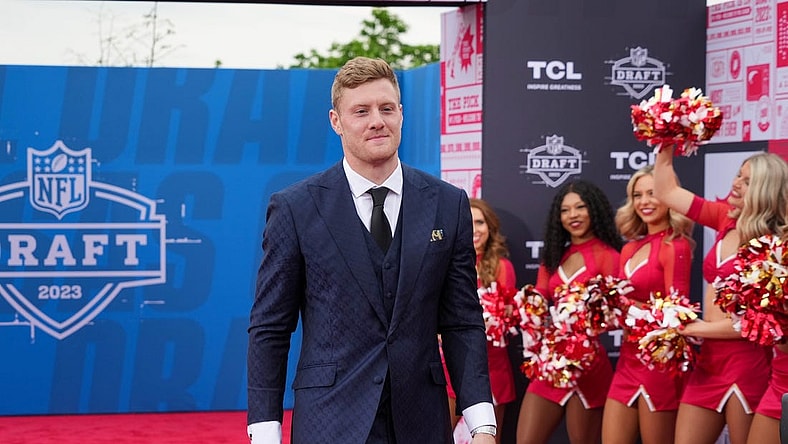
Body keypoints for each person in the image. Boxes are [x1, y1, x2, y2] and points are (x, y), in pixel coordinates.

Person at [246, 57, 497, 444]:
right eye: (361, 111)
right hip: (330, 421)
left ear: (401, 114)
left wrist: (481, 421)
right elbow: (270, 327)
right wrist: (264, 431)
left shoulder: (448, 203)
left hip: (423, 422)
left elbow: (462, 320)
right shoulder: (295, 208)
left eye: (387, 108)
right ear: (336, 121)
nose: (376, 120)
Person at [653, 147, 785, 444]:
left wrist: (694, 328)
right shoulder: (725, 218)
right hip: (708, 363)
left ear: (766, 190)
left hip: (747, 365)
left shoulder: (775, 246)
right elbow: (666, 190)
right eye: (739, 174)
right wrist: (666, 138)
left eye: (748, 181)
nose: (736, 183)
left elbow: (759, 323)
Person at [516, 180, 624, 444]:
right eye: (565, 210)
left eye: (580, 207)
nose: (573, 215)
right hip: (551, 365)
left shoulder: (609, 255)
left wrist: (588, 317)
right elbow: (540, 298)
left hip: (588, 366)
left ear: (594, 210)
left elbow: (617, 312)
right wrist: (527, 304)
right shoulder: (554, 256)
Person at [601, 165, 695, 444]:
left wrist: (627, 306)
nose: (644, 201)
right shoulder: (629, 248)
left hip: (660, 364)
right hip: (628, 360)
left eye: (652, 193)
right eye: (637, 194)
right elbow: (618, 302)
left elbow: (676, 312)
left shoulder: (675, 246)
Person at [445, 198, 518, 443]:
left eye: (480, 222)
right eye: (469, 222)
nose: (474, 229)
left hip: (491, 366)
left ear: (490, 227)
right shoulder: (444, 264)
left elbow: (503, 320)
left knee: (487, 437)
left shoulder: (502, 267)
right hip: (448, 364)